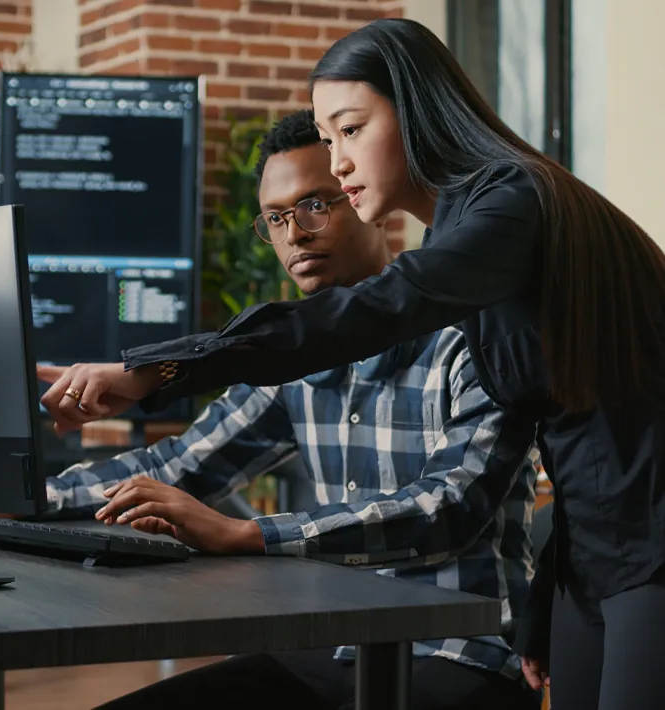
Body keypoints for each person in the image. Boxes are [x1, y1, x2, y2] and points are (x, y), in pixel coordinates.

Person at [35, 19, 665, 710]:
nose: (337, 162)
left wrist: (161, 369)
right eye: (329, 139)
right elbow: (584, 429)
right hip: (589, 558)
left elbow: (381, 310)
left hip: (647, 549)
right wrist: (552, 583)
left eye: (351, 129)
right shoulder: (471, 231)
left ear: (417, 109)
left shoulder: (511, 202)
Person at [37, 110, 540, 710]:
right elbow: (181, 464)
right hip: (339, 646)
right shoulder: (290, 357)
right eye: (275, 218)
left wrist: (247, 533)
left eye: (314, 206)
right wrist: (22, 503)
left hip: (462, 654)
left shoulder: (472, 336)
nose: (293, 234)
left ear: (362, 199)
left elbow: (449, 507)